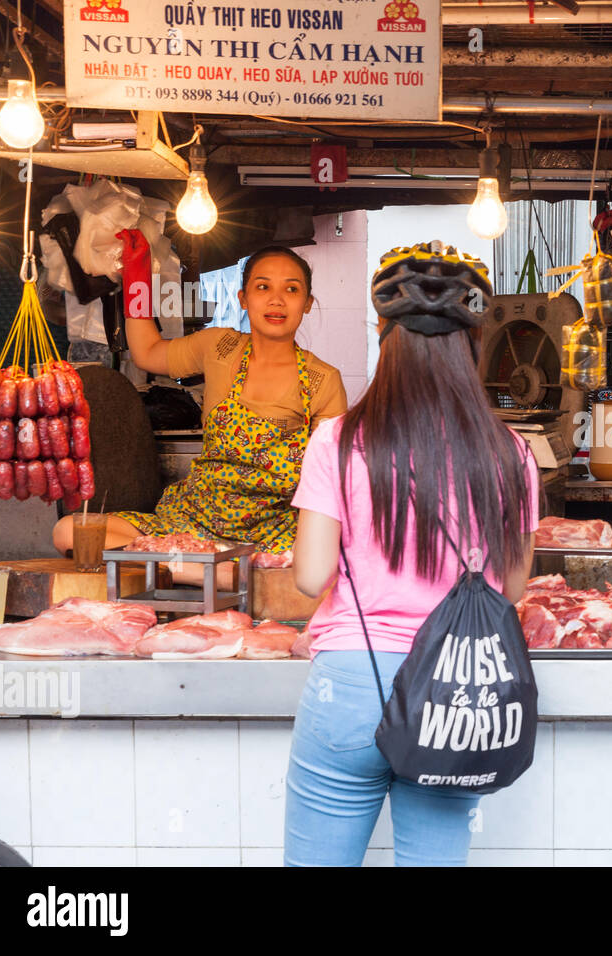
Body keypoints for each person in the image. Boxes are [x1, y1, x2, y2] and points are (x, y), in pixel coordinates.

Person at [285, 242, 539, 867]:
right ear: (475, 340)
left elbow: (311, 574)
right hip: (454, 688)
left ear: (383, 335)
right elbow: (509, 590)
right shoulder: (512, 453)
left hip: (351, 681)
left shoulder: (337, 441)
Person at [52, 246, 347, 562]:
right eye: (263, 287)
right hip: (190, 525)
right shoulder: (220, 347)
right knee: (69, 531)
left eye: (291, 289)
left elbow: (330, 484)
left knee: (318, 554)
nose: (276, 299)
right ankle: (201, 569)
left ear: (307, 304)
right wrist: (137, 278)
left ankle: (180, 568)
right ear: (243, 298)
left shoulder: (323, 380)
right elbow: (148, 352)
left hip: (273, 537)